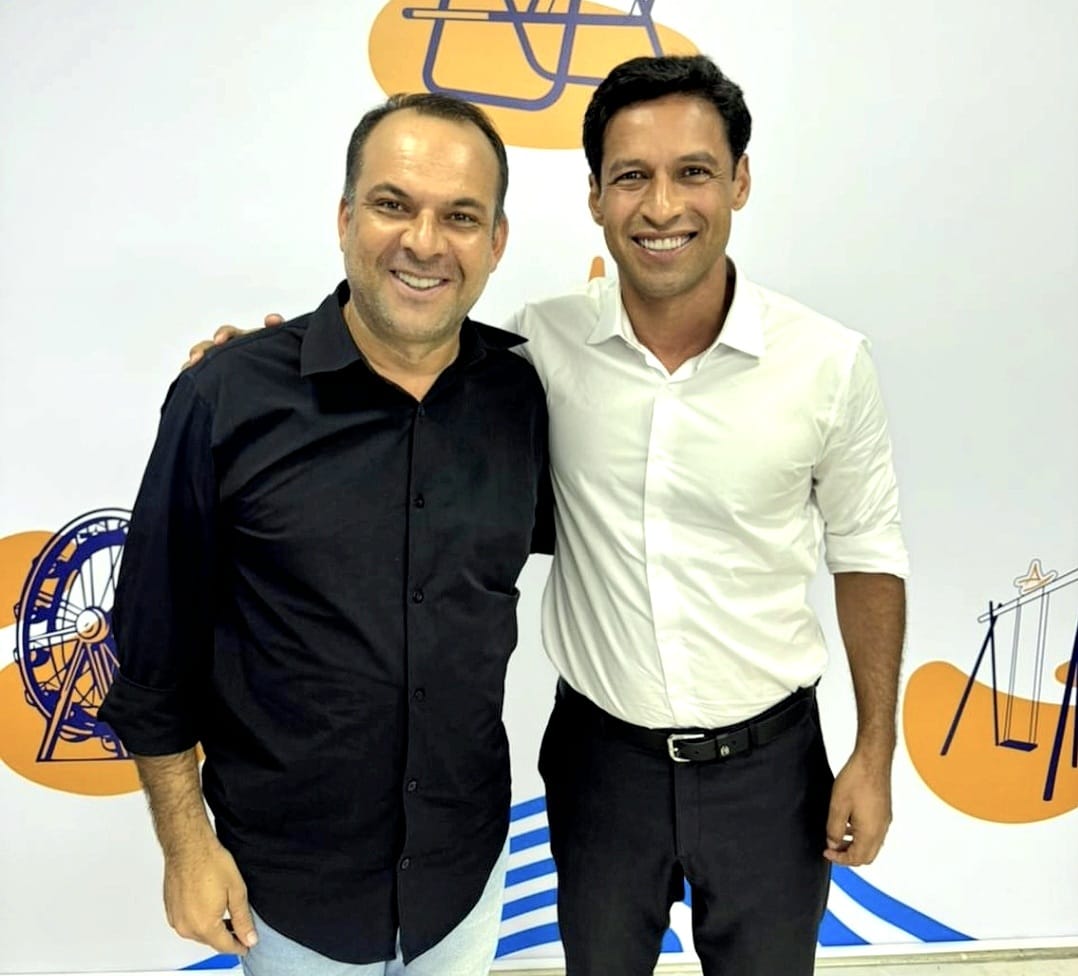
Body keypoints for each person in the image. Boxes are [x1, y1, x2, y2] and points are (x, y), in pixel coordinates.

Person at [191, 55, 908, 976]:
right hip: (600, 768)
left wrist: (874, 751)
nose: (661, 206)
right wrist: (259, 369)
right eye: (631, 176)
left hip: (771, 769)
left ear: (739, 180)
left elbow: (867, 550)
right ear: (595, 197)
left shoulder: (828, 363)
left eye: (693, 171)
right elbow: (401, 343)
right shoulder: (537, 348)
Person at [100, 93, 552, 976]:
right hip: (287, 898)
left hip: (464, 880)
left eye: (461, 216)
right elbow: (153, 653)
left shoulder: (523, 400)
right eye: (392, 204)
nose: (424, 241)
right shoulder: (226, 398)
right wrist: (187, 847)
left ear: (496, 241)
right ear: (346, 219)